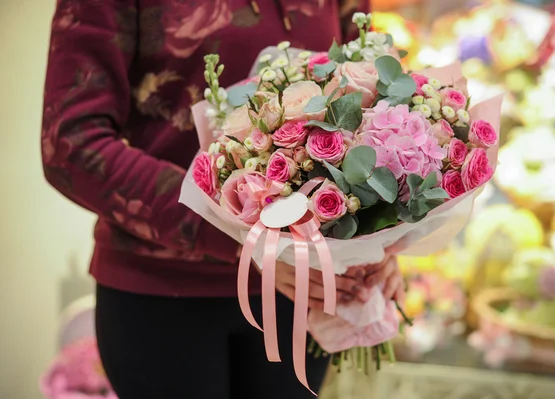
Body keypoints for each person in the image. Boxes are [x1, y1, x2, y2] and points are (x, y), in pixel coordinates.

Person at [41, 1, 404, 398]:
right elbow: (71, 146)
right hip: (165, 295)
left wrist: (378, 237)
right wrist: (246, 241)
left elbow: (368, 104)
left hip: (299, 292)